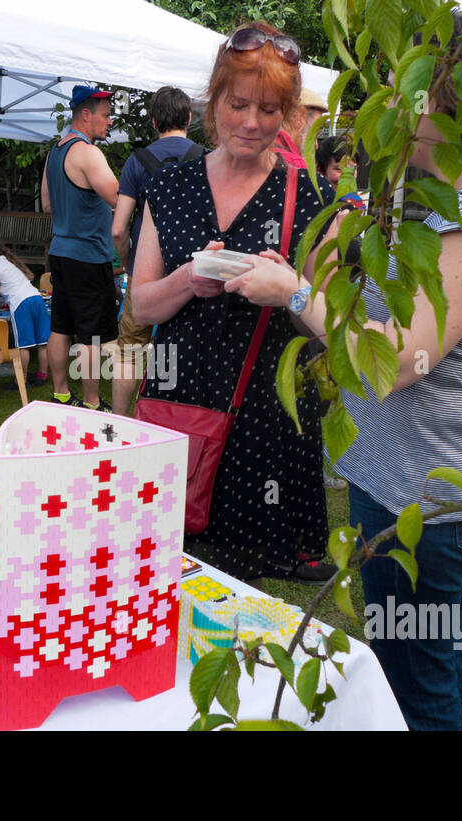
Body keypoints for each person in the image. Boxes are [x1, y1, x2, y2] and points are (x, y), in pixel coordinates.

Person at [225, 12, 462, 731]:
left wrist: (294, 296)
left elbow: (397, 363)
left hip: (427, 496)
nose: (394, 113)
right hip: (402, 477)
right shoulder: (447, 190)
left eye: (409, 97)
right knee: (422, 662)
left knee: (417, 684)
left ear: (450, 103)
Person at [130, 22, 333, 585]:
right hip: (178, 404)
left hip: (262, 418)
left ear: (287, 115)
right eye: (237, 103)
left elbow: (333, 327)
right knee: (157, 570)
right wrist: (187, 280)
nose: (250, 122)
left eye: (269, 110)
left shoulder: (308, 195)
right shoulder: (169, 187)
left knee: (238, 592)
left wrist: (289, 289)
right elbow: (141, 308)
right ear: (212, 100)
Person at [109, 86, 204, 415]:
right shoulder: (206, 159)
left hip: (144, 273)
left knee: (129, 353)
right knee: (185, 351)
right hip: (192, 274)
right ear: (189, 118)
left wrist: (127, 263)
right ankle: (177, 423)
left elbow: (118, 228)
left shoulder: (137, 163)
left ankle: (120, 426)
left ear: (153, 121)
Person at [40, 84, 119, 411]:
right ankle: (90, 401)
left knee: (60, 326)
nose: (109, 121)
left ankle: (60, 392)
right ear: (85, 114)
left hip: (60, 252)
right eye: (105, 115)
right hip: (88, 256)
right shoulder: (88, 153)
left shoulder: (55, 151)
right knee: (91, 336)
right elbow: (119, 198)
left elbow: (46, 205)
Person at [0, 240, 50, 387]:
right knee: (43, 342)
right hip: (36, 299)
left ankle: (20, 379)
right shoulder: (8, 262)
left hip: (21, 303)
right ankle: (42, 375)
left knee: (23, 345)